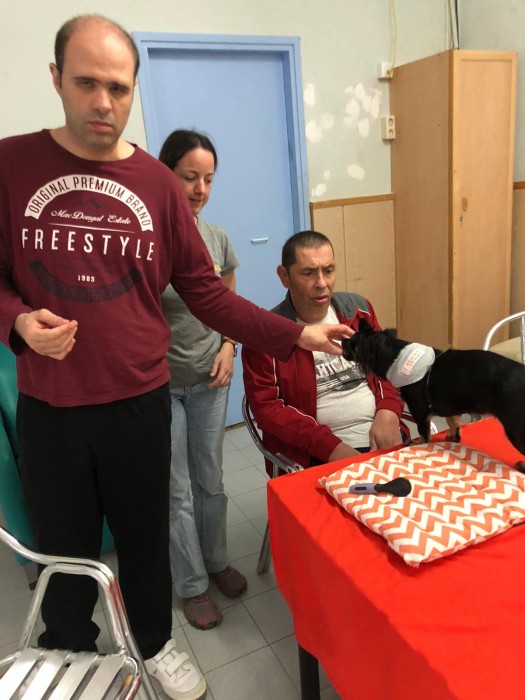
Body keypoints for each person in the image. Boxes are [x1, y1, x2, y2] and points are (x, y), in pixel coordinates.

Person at [0, 16, 351, 700]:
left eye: (118, 87)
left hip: (138, 402)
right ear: (56, 80)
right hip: (50, 404)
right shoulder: (12, 166)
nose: (103, 101)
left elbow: (206, 294)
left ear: (134, 90)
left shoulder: (156, 185)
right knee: (64, 546)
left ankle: (155, 644)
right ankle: (69, 648)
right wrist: (16, 321)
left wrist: (293, 335)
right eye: (87, 83)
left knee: (144, 536)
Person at [158, 129, 245, 631]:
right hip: (162, 385)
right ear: (165, 174)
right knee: (178, 492)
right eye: (190, 177)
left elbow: (228, 306)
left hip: (212, 378)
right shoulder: (148, 241)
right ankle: (191, 585)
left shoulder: (217, 238)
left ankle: (216, 562)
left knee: (210, 480)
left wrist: (230, 346)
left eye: (209, 179)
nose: (200, 189)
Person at [242, 230, 408, 475]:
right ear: (284, 276)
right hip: (314, 452)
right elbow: (267, 409)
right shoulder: (266, 335)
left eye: (328, 271)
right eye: (308, 273)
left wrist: (389, 412)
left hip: (381, 433)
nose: (322, 283)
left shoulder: (358, 311)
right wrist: (332, 448)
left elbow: (387, 366)